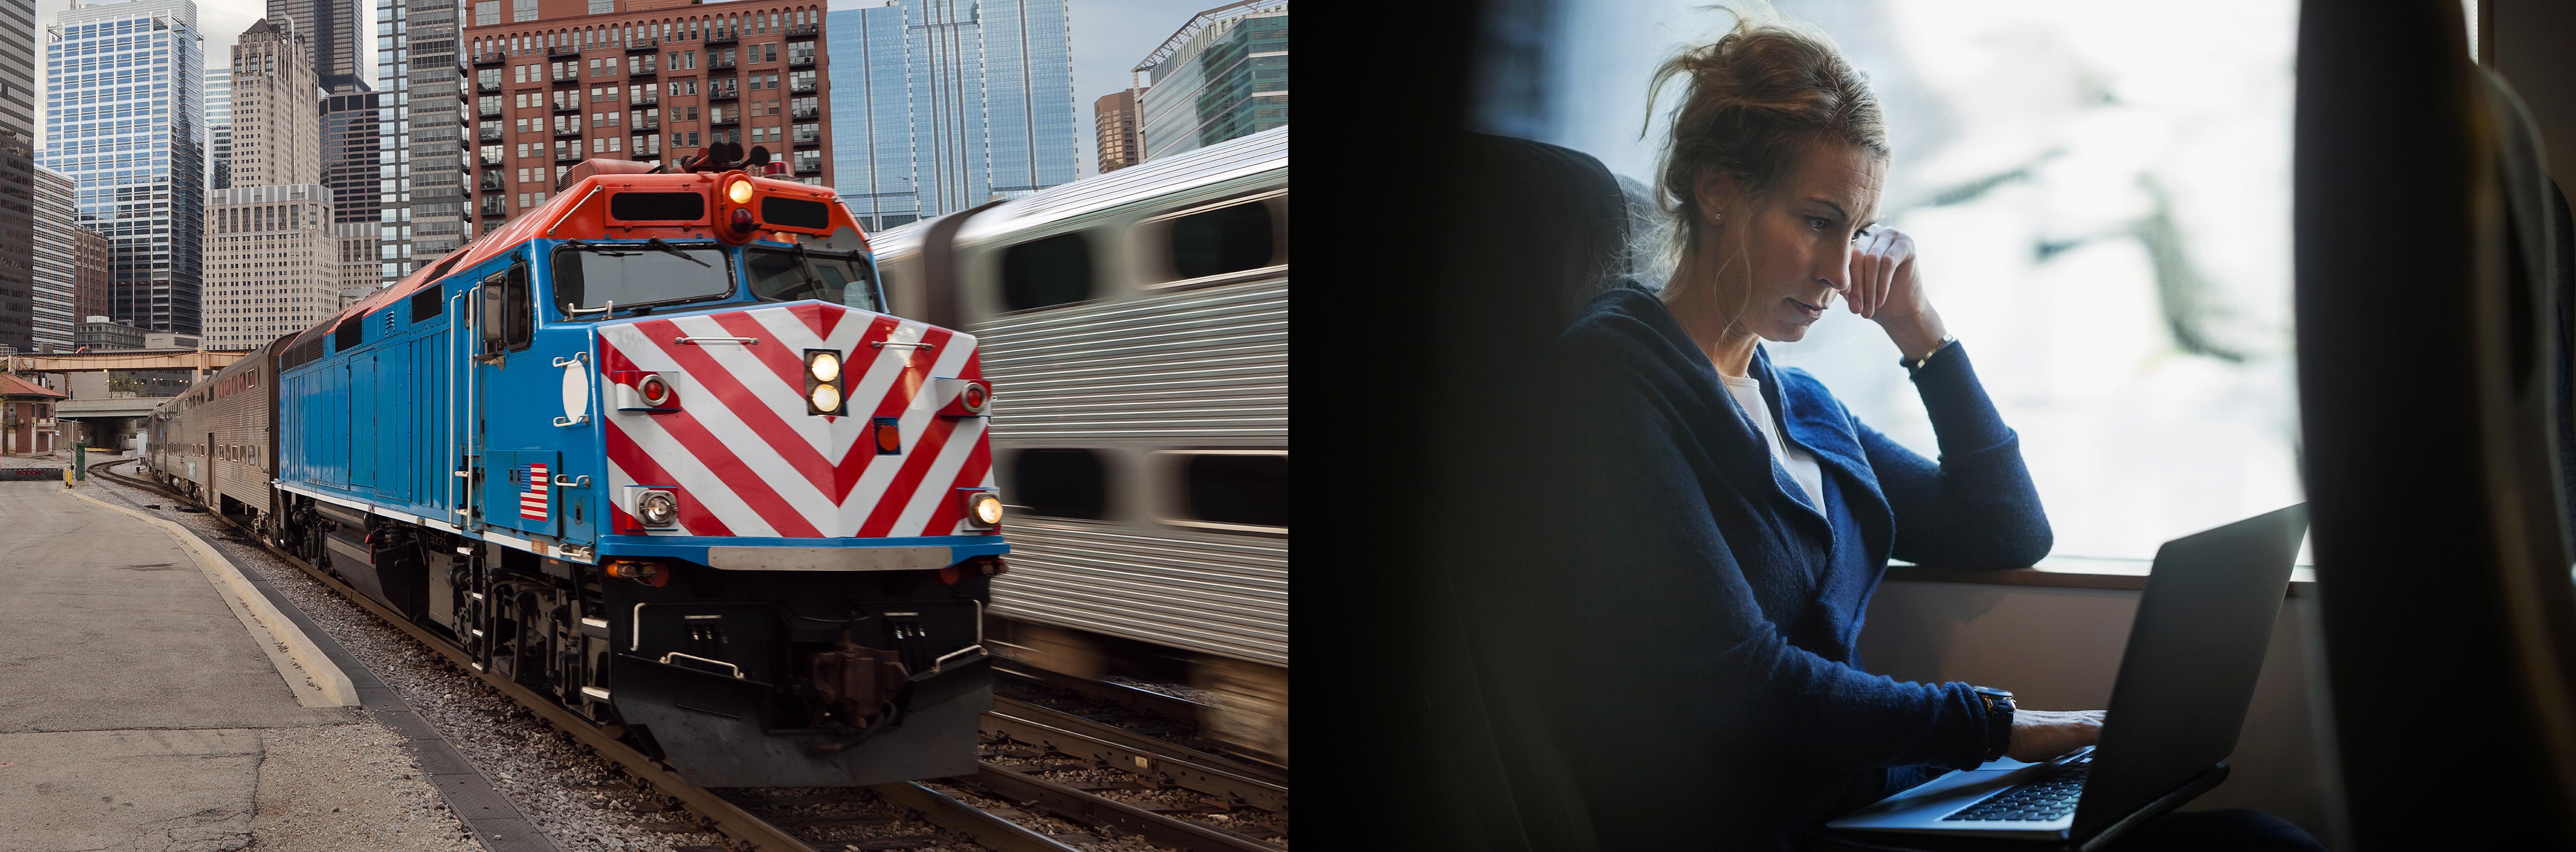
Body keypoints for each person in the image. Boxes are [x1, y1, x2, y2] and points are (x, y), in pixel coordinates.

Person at [1454, 11, 2326, 852]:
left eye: (1859, 232)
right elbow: (1741, 685)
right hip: (1775, 829)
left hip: (1877, 802)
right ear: (1719, 191)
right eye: (1817, 221)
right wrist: (1999, 727)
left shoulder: (1799, 405)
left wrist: (1922, 332)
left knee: (2264, 836)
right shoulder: (1610, 382)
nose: (1840, 274)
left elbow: (2007, 529)